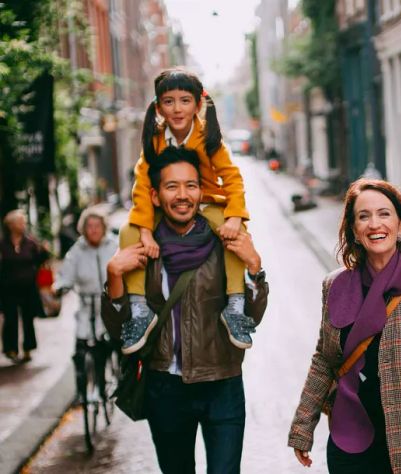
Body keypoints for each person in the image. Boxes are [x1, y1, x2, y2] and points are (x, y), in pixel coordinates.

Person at [288, 179, 401, 473]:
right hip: (349, 445)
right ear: (354, 230)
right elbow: (325, 359)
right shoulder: (334, 286)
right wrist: (303, 425)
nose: (374, 224)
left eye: (384, 214)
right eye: (364, 216)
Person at [102, 146, 268, 473]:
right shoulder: (141, 245)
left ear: (201, 190)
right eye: (172, 186)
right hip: (165, 388)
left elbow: (252, 317)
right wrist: (113, 275)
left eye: (191, 185)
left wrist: (255, 268)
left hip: (222, 383)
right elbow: (119, 330)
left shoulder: (225, 238)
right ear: (154, 194)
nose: (183, 195)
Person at [119, 67, 253, 356]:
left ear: (197, 104)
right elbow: (142, 184)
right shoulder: (154, 138)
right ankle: (140, 309)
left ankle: (235, 305)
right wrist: (144, 232)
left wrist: (233, 217)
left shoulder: (209, 136)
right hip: (166, 202)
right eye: (169, 101)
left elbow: (232, 178)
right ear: (158, 107)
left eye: (184, 100)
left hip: (204, 200)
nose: (177, 108)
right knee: (127, 231)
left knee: (236, 234)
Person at [53, 207, 119, 398]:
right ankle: (82, 388)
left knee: (117, 343)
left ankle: (120, 380)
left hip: (112, 305)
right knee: (81, 349)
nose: (93, 230)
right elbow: (66, 274)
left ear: (103, 227)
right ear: (83, 228)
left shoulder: (114, 245)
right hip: (87, 307)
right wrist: (60, 286)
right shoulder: (77, 251)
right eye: (89, 226)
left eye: (97, 226)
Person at [0, 210, 51, 363]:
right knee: (10, 318)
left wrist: (45, 252)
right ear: (11, 225)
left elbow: (40, 260)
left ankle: (28, 348)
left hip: (28, 287)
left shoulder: (31, 243)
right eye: (20, 222)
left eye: (24, 222)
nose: (23, 225)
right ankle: (11, 349)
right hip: (8, 288)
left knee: (28, 318)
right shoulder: (3, 244)